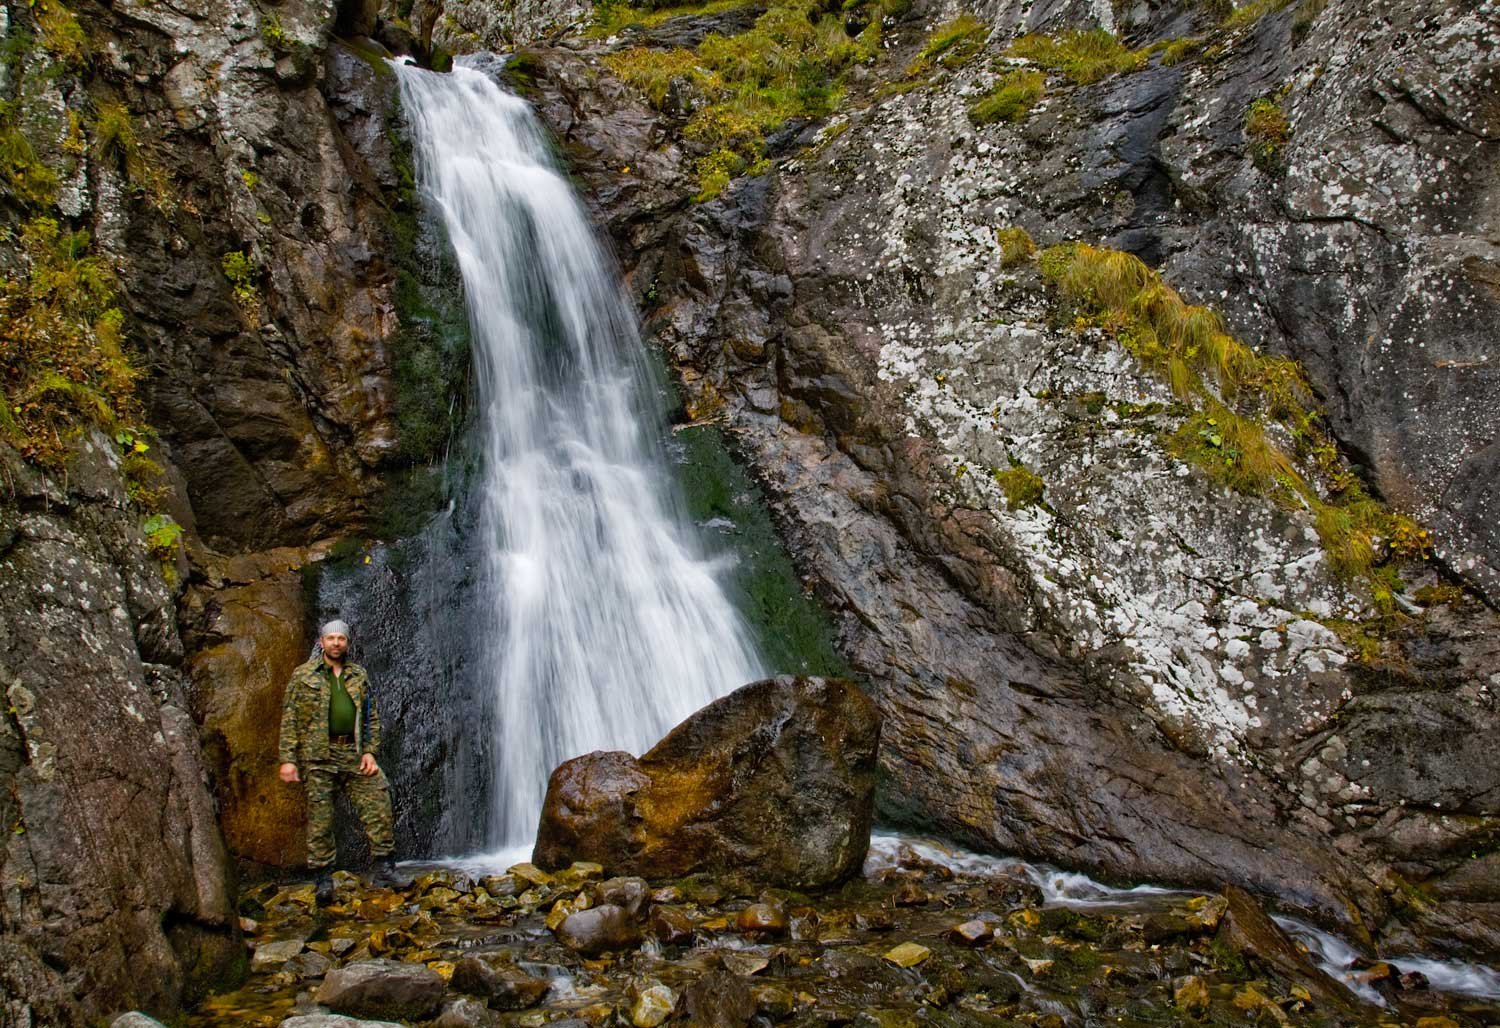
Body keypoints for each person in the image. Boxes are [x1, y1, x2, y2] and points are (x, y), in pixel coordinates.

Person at [277, 619, 399, 902]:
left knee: (379, 800)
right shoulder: (303, 675)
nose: (336, 643)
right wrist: (288, 759)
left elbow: (370, 715)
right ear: (321, 642)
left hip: (353, 755)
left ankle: (385, 868)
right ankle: (323, 879)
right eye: (330, 638)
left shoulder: (358, 675)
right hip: (317, 756)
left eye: (340, 639)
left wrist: (370, 751)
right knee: (320, 819)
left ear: (347, 643)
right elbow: (290, 717)